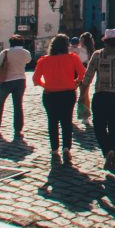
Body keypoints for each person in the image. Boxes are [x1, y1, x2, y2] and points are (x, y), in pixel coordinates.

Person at [80, 28, 115, 172]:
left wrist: (82, 94)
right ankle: (113, 153)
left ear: (104, 41)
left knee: (99, 125)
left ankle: (107, 151)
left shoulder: (98, 55)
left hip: (102, 95)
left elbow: (88, 76)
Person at [33, 34, 86, 167]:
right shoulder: (72, 58)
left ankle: (54, 148)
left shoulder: (43, 60)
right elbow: (83, 74)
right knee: (67, 121)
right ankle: (66, 148)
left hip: (50, 94)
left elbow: (35, 80)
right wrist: (75, 83)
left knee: (52, 121)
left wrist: (46, 85)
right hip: (68, 93)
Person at [0, 35, 31, 139]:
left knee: (0, 104)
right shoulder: (26, 53)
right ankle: (18, 128)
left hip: (6, 81)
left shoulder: (6, 52)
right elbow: (28, 61)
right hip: (21, 80)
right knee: (18, 106)